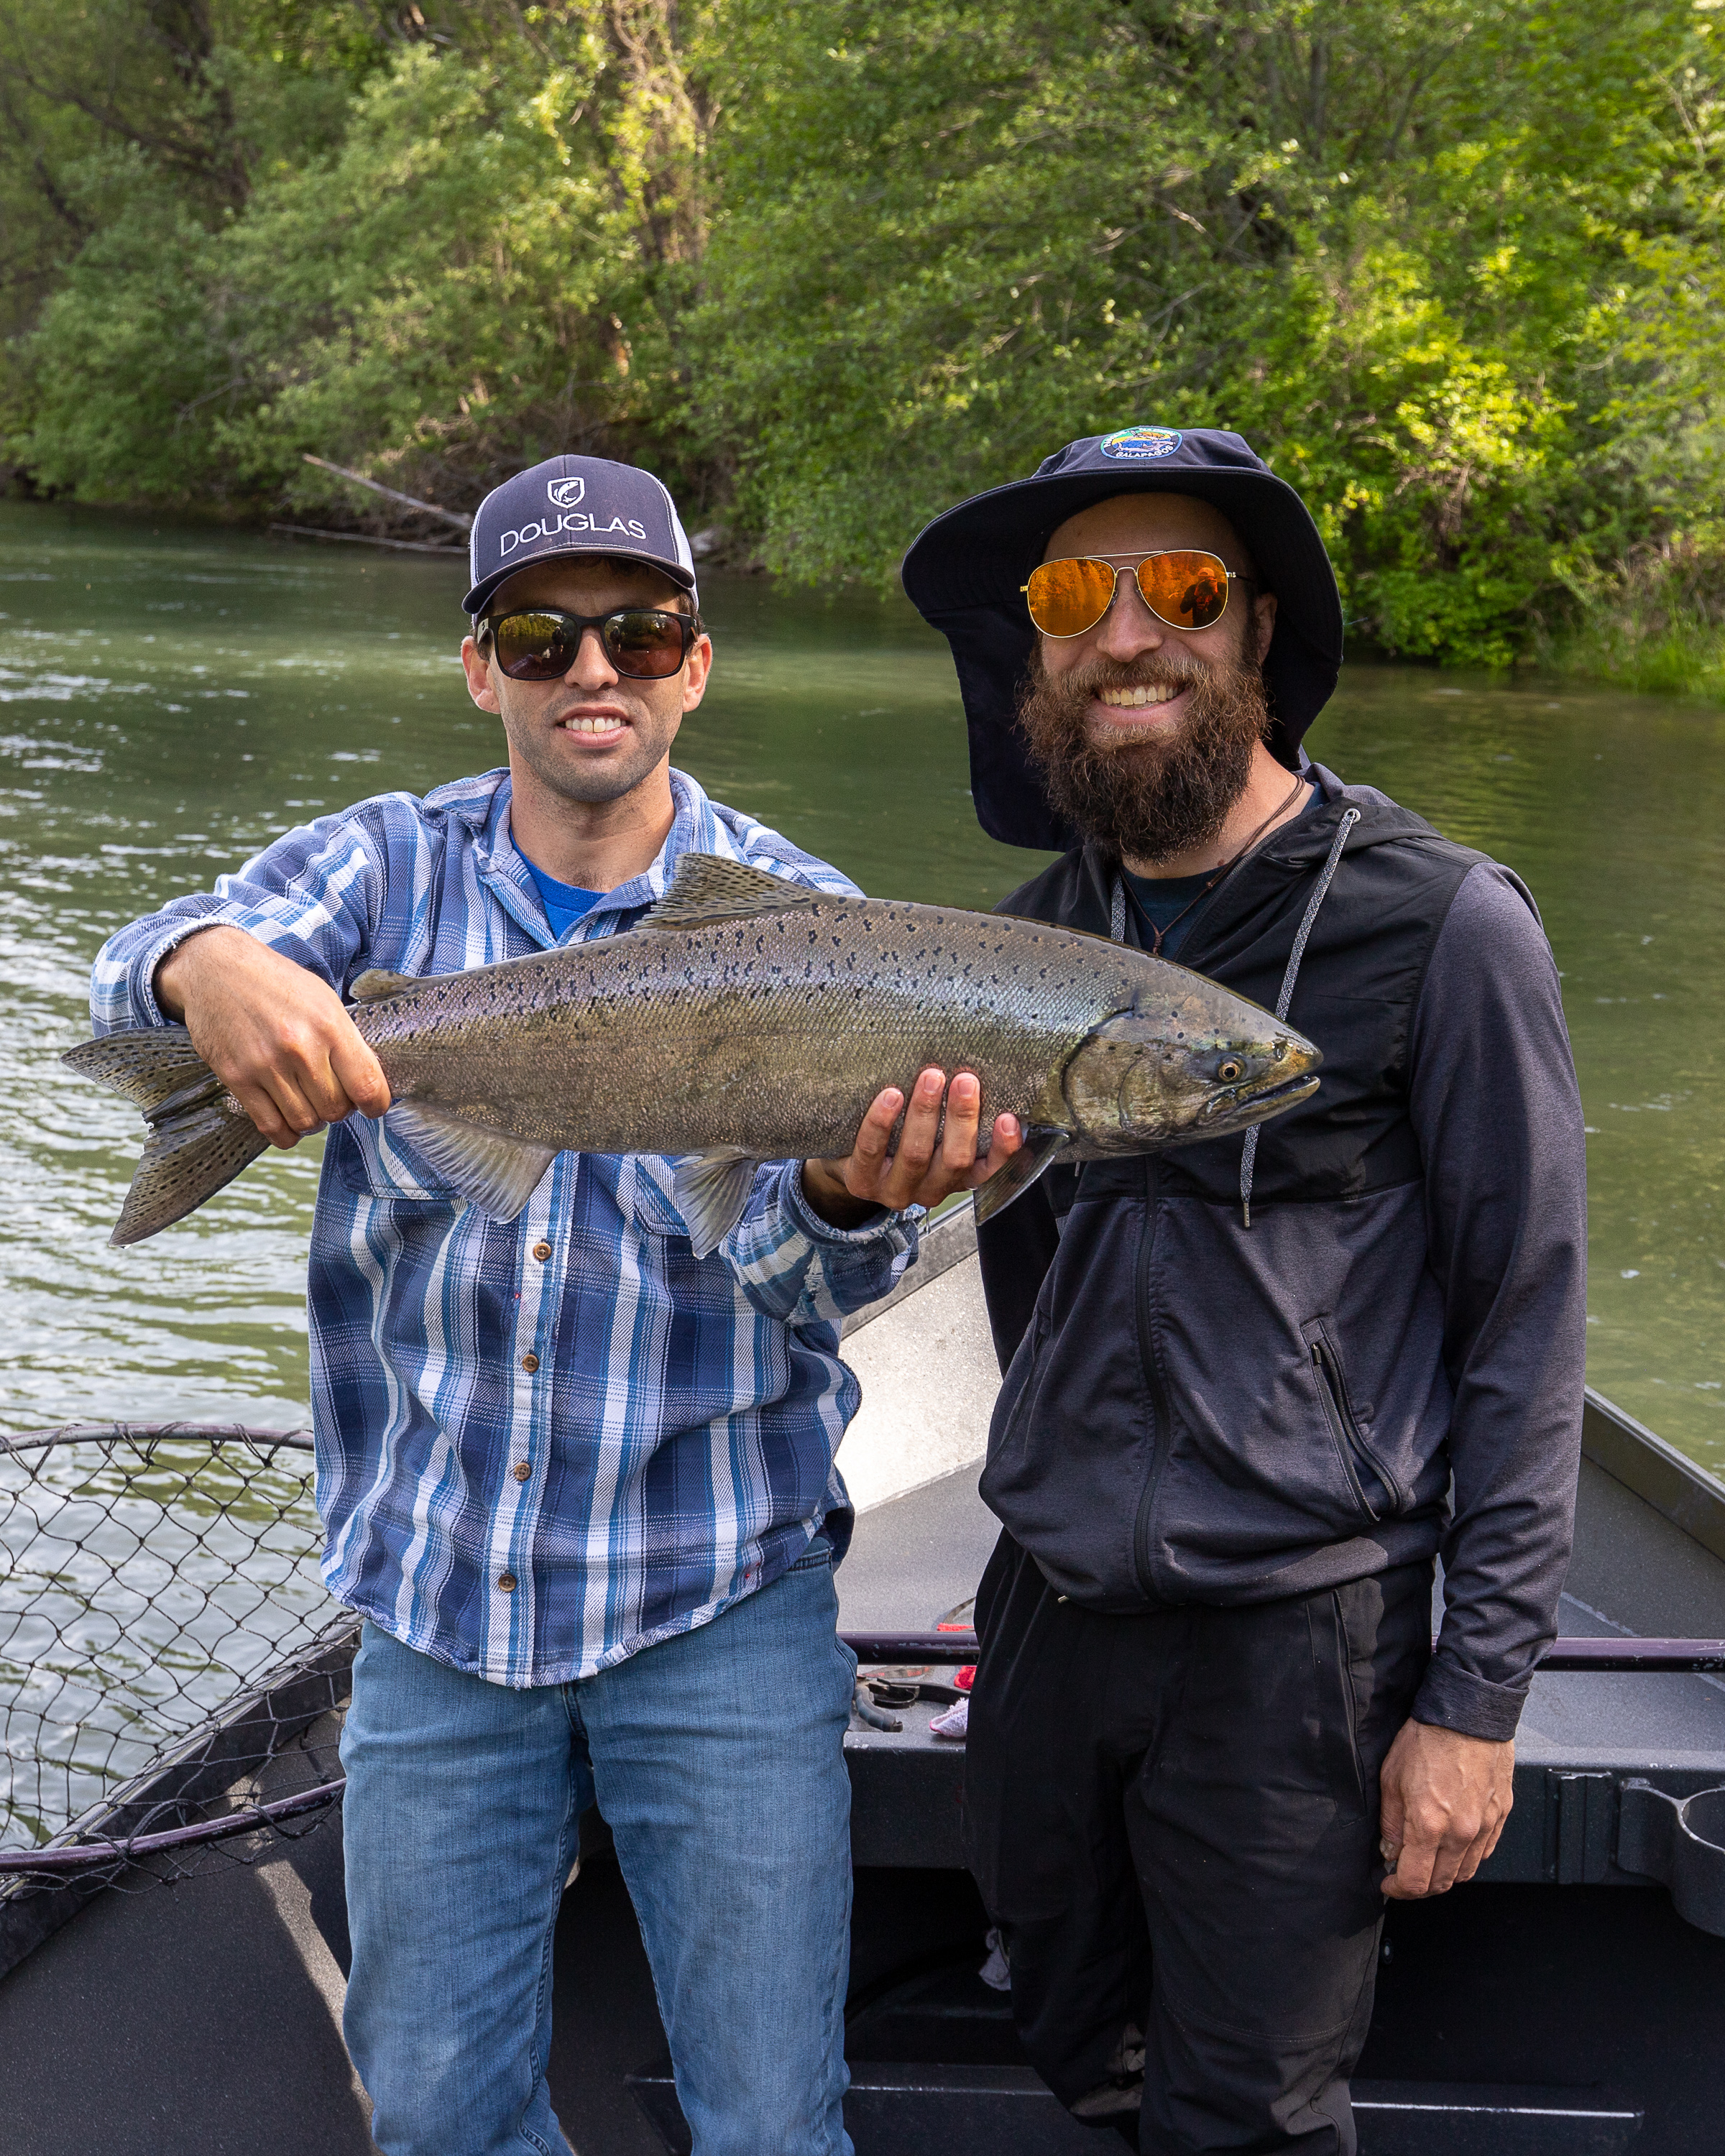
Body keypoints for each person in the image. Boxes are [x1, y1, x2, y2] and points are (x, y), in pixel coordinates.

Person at [88, 453, 1020, 2156]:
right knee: (439, 2118)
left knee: (769, 2129)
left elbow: (818, 1296)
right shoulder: (376, 869)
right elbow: (143, 953)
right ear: (479, 670)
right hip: (439, 1597)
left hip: (719, 1596)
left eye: (640, 631)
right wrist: (201, 968)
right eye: (540, 633)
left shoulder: (817, 930)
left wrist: (841, 1197)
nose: (594, 667)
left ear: (693, 667)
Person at [901, 426, 1586, 2154]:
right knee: (1067, 2037)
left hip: (1303, 1636)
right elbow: (1021, 1293)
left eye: (1182, 589)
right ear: (1035, 648)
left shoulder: (1445, 928)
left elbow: (1528, 1330)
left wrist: (1473, 1703)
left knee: (1251, 2119)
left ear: (1258, 631)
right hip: (1049, 1615)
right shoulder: (1010, 946)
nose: (1128, 633)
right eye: (1077, 593)